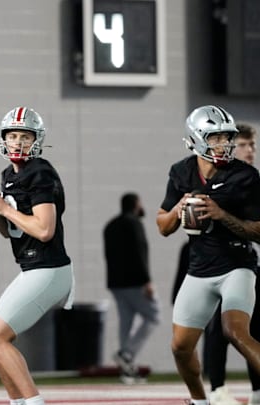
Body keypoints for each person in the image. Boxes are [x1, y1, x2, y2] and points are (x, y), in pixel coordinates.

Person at [156, 105, 260, 405]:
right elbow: (163, 226)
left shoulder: (245, 176)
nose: (224, 145)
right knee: (180, 347)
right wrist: (179, 210)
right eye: (216, 138)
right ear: (196, 138)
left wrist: (221, 215)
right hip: (199, 268)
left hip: (236, 265)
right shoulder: (181, 172)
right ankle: (200, 401)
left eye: (227, 138)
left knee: (235, 332)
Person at [0, 106, 74, 405]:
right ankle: (19, 403)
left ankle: (33, 403)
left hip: (49, 268)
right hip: (31, 267)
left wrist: (5, 209)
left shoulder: (40, 171)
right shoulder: (8, 175)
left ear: (37, 140)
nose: (18, 142)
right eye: (13, 135)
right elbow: (11, 231)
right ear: (3, 139)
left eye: (25, 137)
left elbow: (44, 230)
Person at [202, 123, 260, 405]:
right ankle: (217, 390)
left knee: (254, 327)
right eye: (245, 145)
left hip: (247, 260)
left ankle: (257, 390)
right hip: (219, 263)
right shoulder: (218, 178)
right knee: (219, 327)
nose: (251, 150)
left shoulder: (249, 179)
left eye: (253, 145)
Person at [103, 193, 160, 383]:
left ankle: (127, 371)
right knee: (153, 315)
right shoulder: (134, 223)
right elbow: (139, 251)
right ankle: (127, 354)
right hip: (135, 282)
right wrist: (147, 281)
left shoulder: (110, 226)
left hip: (116, 283)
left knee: (126, 322)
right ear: (136, 205)